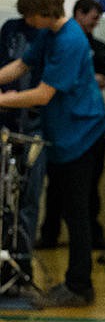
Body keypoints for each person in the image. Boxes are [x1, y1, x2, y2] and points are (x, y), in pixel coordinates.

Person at [0, 0, 105, 307]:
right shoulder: (50, 33)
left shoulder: (70, 40)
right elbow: (21, 65)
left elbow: (44, 94)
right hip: (64, 136)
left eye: (29, 14)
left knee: (76, 214)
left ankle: (79, 286)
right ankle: (75, 283)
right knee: (64, 209)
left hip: (82, 136)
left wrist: (1, 100)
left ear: (41, 12)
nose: (26, 20)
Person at [38, 0, 105, 251]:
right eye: (92, 18)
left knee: (82, 200)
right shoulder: (57, 40)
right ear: (78, 13)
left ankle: (82, 269)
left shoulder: (84, 44)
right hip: (65, 131)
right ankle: (49, 236)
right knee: (58, 191)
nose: (95, 24)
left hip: (84, 133)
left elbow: (101, 77)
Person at [0, 16, 44, 291]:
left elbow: (44, 92)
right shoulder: (11, 30)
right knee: (6, 201)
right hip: (8, 123)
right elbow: (11, 67)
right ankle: (7, 266)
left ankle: (22, 265)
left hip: (36, 125)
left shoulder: (52, 36)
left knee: (28, 199)